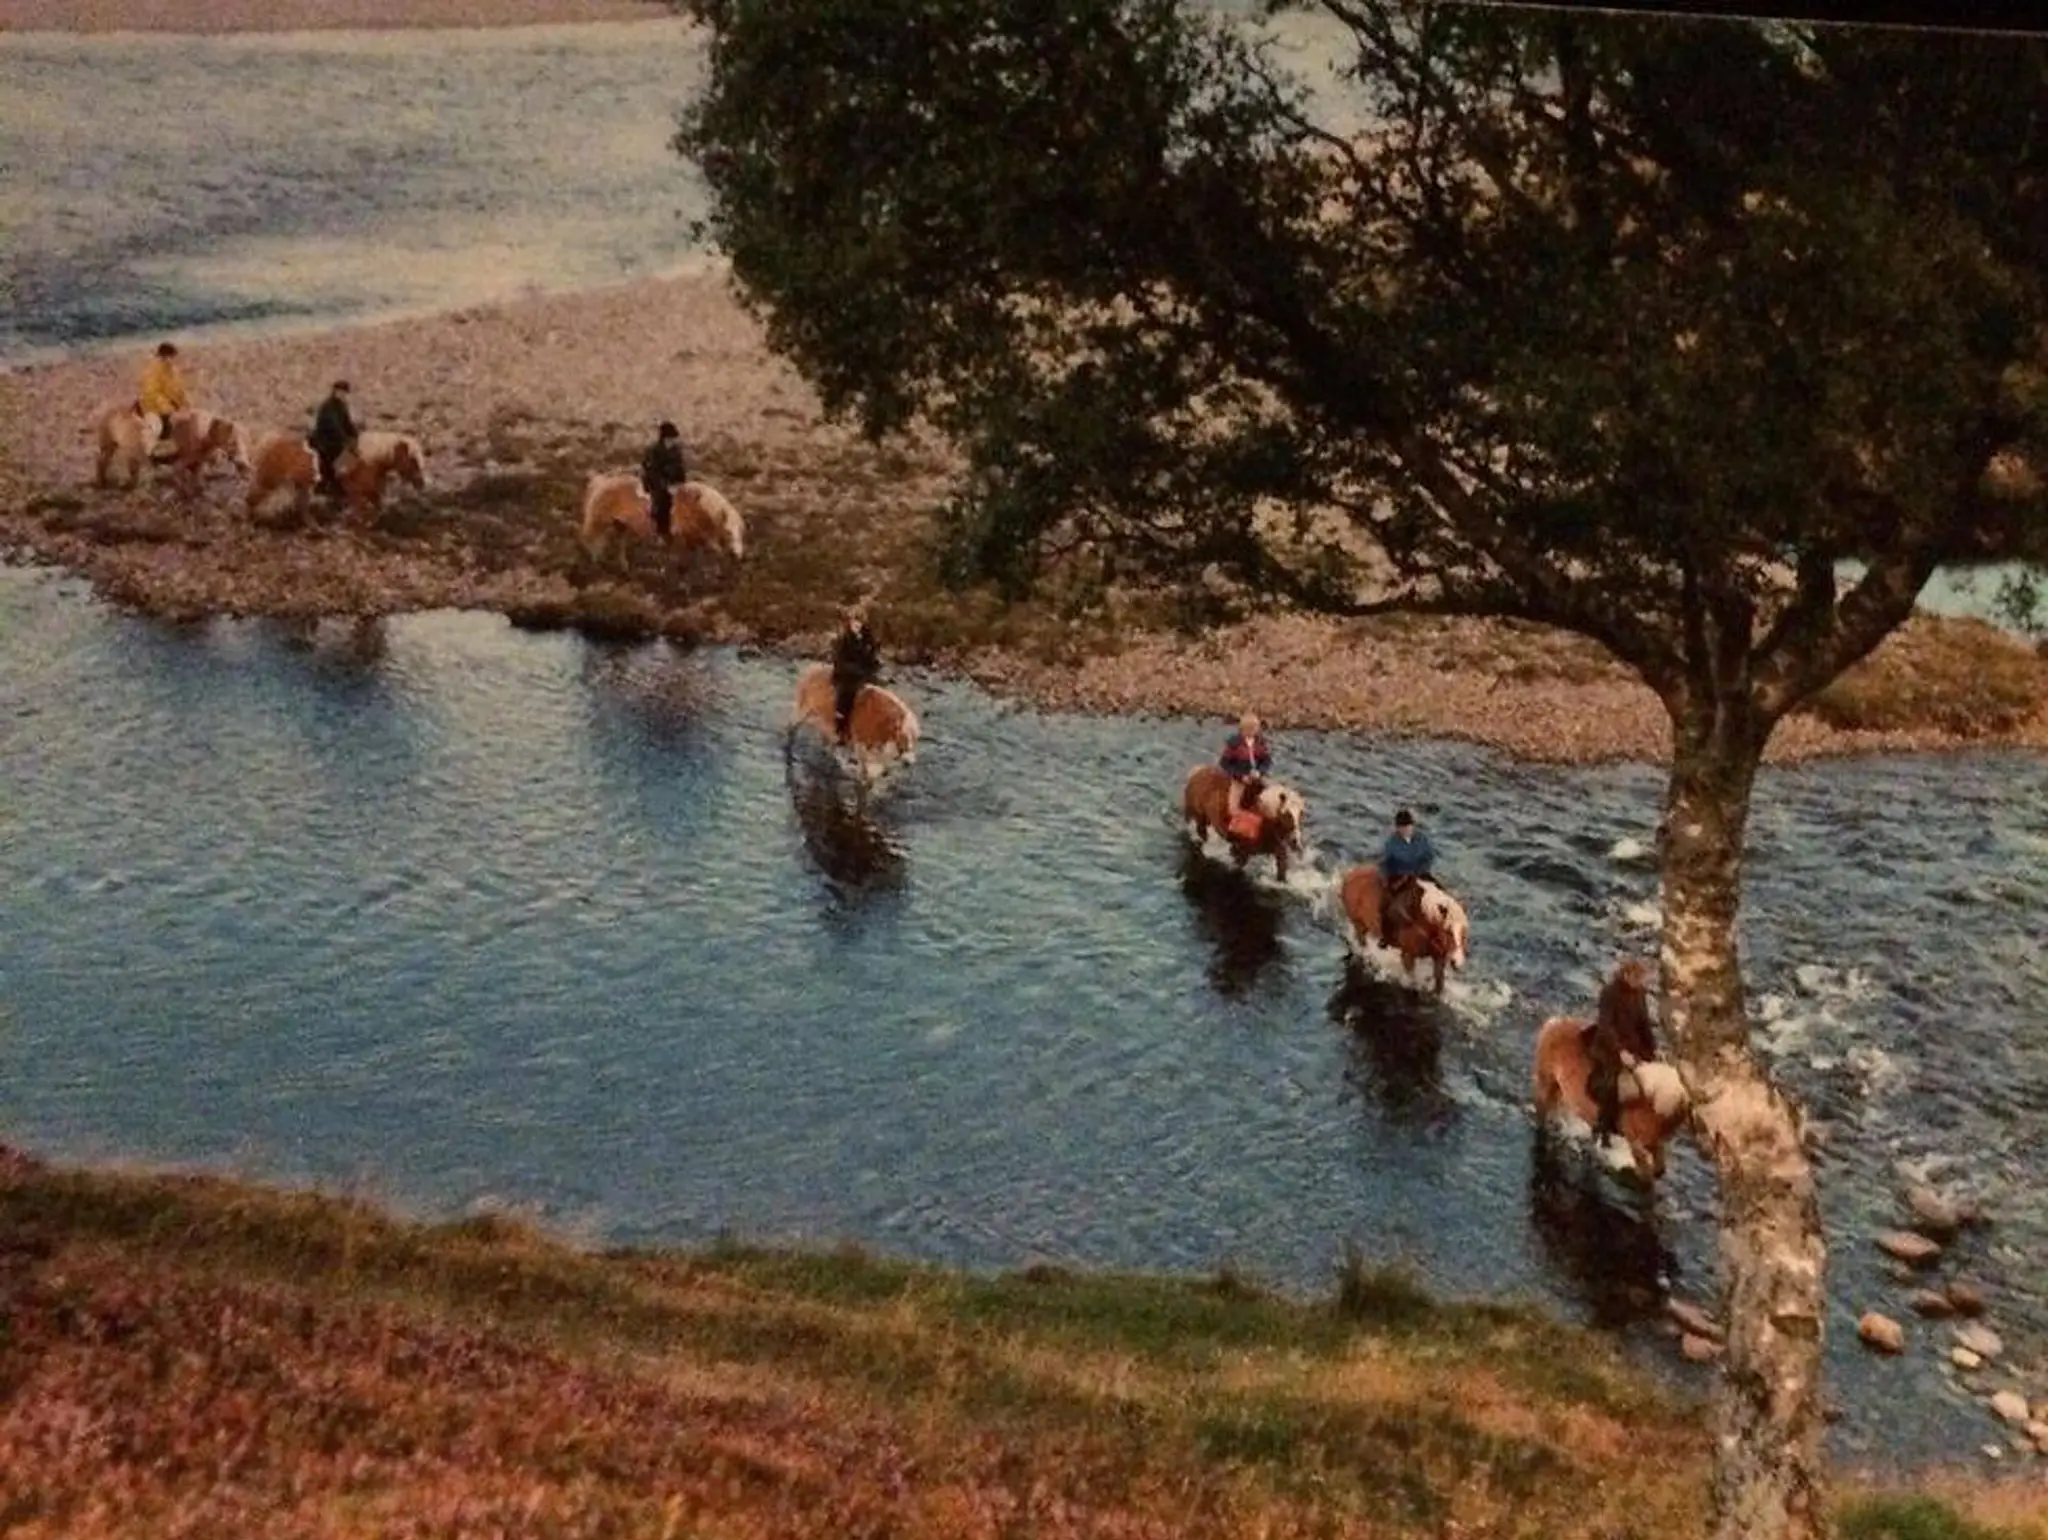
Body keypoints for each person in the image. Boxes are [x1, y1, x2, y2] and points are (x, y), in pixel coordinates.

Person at [1587, 959, 1657, 1142]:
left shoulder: (1639, 993)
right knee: (1611, 1085)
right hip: (1609, 1046)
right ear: (1626, 975)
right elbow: (1606, 1025)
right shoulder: (1610, 993)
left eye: (1641, 978)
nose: (1639, 982)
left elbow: (1644, 1025)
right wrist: (1620, 1052)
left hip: (1633, 1046)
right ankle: (1602, 1129)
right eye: (1637, 978)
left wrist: (1653, 1050)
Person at [1378, 808, 1436, 944]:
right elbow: (1385, 862)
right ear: (1398, 828)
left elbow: (1429, 857)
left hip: (1420, 873)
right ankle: (1386, 937)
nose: (1406, 830)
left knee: (1441, 892)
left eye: (1408, 827)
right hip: (1399, 876)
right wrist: (1388, 877)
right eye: (1403, 827)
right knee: (1385, 905)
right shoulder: (1392, 843)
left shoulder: (1421, 838)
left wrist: (1420, 871)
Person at [829, 602, 880, 743]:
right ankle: (840, 730)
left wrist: (874, 668)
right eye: (854, 622)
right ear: (850, 622)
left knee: (878, 691)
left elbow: (872, 657)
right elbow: (840, 661)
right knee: (846, 695)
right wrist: (857, 670)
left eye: (860, 622)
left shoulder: (869, 639)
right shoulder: (844, 640)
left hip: (863, 674)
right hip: (846, 675)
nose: (857, 625)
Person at [1220, 712, 1273, 825]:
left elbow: (1267, 761)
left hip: (1257, 775)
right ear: (1242, 730)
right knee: (1233, 806)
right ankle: (1239, 825)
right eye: (1249, 729)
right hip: (1239, 777)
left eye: (1254, 729)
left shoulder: (1261, 742)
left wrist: (1260, 772)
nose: (1252, 732)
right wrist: (1240, 776)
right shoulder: (1234, 743)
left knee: (1272, 793)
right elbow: (1224, 764)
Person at [640, 421, 689, 540]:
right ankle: (660, 531)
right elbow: (652, 471)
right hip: (656, 484)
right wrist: (665, 486)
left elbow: (680, 468)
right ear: (665, 438)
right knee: (661, 501)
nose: (673, 442)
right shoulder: (653, 450)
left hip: (672, 483)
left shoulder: (676, 451)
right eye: (670, 439)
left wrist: (681, 483)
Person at [310, 380, 359, 497]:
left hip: (337, 440)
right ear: (335, 392)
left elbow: (348, 423)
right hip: (324, 440)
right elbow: (334, 425)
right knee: (332, 458)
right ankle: (326, 483)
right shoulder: (328, 406)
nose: (343, 395)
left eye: (345, 393)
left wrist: (355, 435)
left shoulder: (342, 407)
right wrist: (345, 439)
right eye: (341, 392)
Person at [137, 341, 190, 442]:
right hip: (152, 407)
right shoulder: (152, 371)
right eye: (172, 357)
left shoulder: (173, 371)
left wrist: (184, 403)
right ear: (164, 357)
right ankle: (148, 452)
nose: (174, 360)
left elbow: (178, 390)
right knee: (155, 428)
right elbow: (151, 393)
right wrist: (169, 410)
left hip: (171, 407)